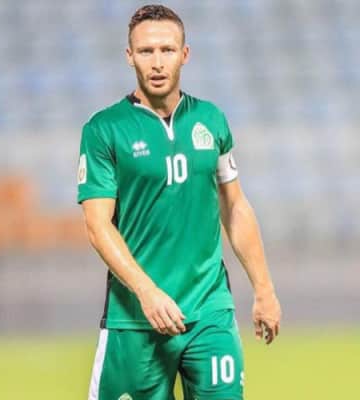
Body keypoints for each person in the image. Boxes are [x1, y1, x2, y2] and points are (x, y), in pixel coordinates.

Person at [77, 4, 281, 400]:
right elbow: (97, 226)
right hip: (135, 319)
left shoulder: (211, 120)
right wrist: (147, 292)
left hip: (209, 311)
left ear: (184, 54)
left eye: (167, 50)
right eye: (146, 51)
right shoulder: (104, 130)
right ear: (129, 56)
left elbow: (235, 207)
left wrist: (264, 289)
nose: (157, 62)